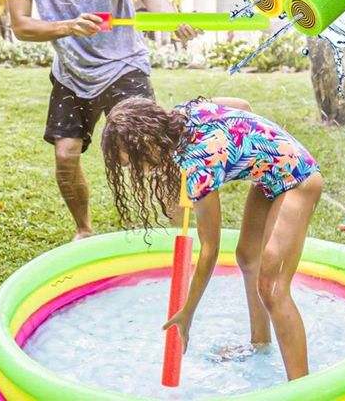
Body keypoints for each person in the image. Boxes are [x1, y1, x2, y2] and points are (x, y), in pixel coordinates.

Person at [3, 0, 198, 240]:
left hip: (124, 63)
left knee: (150, 152)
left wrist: (171, 19)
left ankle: (186, 236)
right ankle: (84, 231)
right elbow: (21, 25)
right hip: (73, 71)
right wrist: (67, 27)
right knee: (65, 156)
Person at [101, 96, 323, 380]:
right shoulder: (184, 113)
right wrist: (260, 145)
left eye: (134, 163)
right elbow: (243, 106)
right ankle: (260, 344)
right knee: (247, 257)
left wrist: (187, 312)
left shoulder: (198, 164)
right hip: (271, 173)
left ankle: (302, 389)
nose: (138, 171)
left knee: (273, 287)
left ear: (147, 143)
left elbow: (210, 248)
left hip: (298, 179)